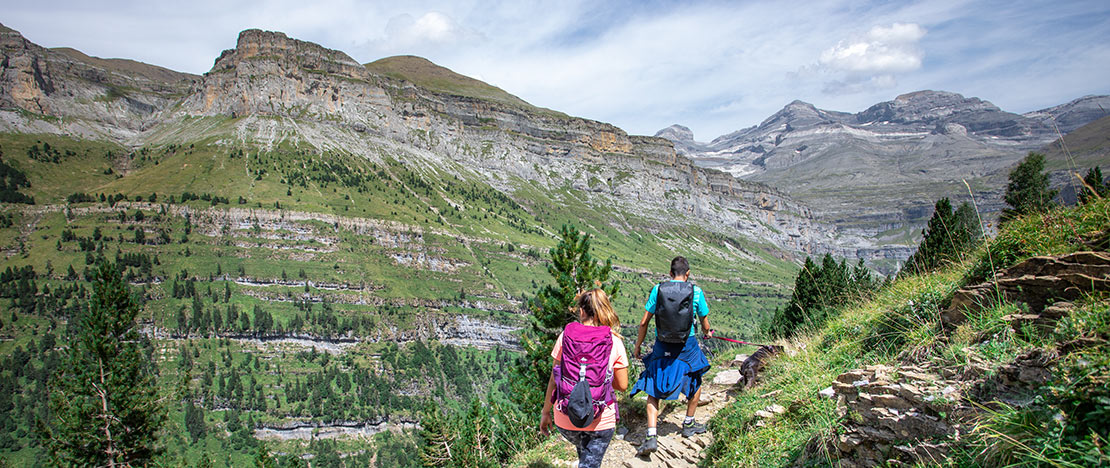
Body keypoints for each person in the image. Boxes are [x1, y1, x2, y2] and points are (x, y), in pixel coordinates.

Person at [630, 256, 713, 458]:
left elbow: (644, 322)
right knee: (695, 378)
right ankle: (688, 424)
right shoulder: (696, 292)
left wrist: (638, 345)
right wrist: (707, 332)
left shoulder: (658, 290)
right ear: (688, 273)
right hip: (687, 345)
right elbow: (704, 322)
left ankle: (651, 435)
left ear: (670, 273)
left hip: (662, 344)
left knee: (653, 385)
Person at [540, 289, 629, 468]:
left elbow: (554, 378)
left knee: (584, 453)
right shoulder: (614, 341)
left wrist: (545, 412)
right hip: (600, 420)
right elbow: (622, 385)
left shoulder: (565, 337)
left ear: (582, 311)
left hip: (566, 418)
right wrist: (599, 378)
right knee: (590, 460)